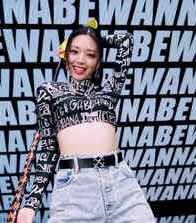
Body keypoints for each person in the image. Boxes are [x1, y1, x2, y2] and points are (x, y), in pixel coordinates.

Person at [17, 26, 155, 223]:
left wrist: (94, 39)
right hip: (75, 189)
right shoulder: (48, 91)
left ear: (98, 62)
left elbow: (126, 41)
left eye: (90, 55)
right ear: (65, 56)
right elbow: (49, 150)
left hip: (122, 185)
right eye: (74, 52)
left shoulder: (109, 92)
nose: (80, 60)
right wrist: (31, 204)